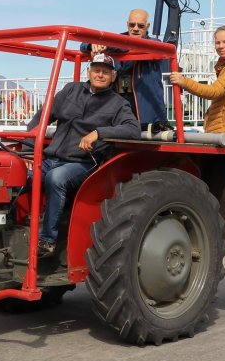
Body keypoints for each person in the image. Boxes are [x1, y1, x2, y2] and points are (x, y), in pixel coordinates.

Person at [26, 53, 140, 256]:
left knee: (56, 179)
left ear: (113, 77)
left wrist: (99, 133)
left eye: (106, 72)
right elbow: (42, 118)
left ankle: (47, 240)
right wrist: (27, 151)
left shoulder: (118, 104)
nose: (100, 75)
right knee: (19, 175)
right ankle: (9, 227)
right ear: (89, 72)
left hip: (85, 162)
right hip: (51, 158)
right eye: (96, 70)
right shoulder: (71, 90)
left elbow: (133, 130)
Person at [82, 9, 170, 132]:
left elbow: (133, 45)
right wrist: (93, 45)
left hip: (149, 118)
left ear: (147, 26)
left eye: (140, 25)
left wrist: (106, 44)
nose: (135, 28)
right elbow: (84, 44)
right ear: (127, 24)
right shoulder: (116, 41)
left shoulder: (154, 44)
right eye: (132, 24)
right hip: (120, 112)